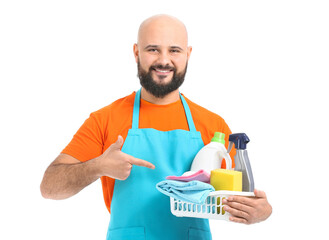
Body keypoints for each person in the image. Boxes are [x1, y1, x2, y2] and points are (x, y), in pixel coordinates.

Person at [40, 14, 272, 239]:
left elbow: (236, 197)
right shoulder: (106, 119)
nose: (163, 60)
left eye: (174, 50)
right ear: (136, 52)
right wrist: (97, 166)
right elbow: (49, 187)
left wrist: (261, 211)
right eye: (153, 49)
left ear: (188, 54)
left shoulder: (214, 127)